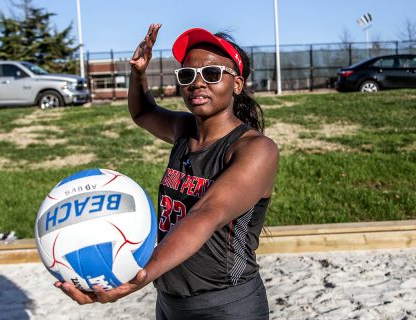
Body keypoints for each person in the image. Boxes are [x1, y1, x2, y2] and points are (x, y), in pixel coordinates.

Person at [55, 24, 279, 319]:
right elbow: (143, 113)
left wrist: (141, 274)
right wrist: (138, 74)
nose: (198, 83)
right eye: (187, 75)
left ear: (236, 84)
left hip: (226, 305)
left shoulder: (256, 149)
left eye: (212, 74)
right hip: (171, 301)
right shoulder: (184, 130)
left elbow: (207, 212)